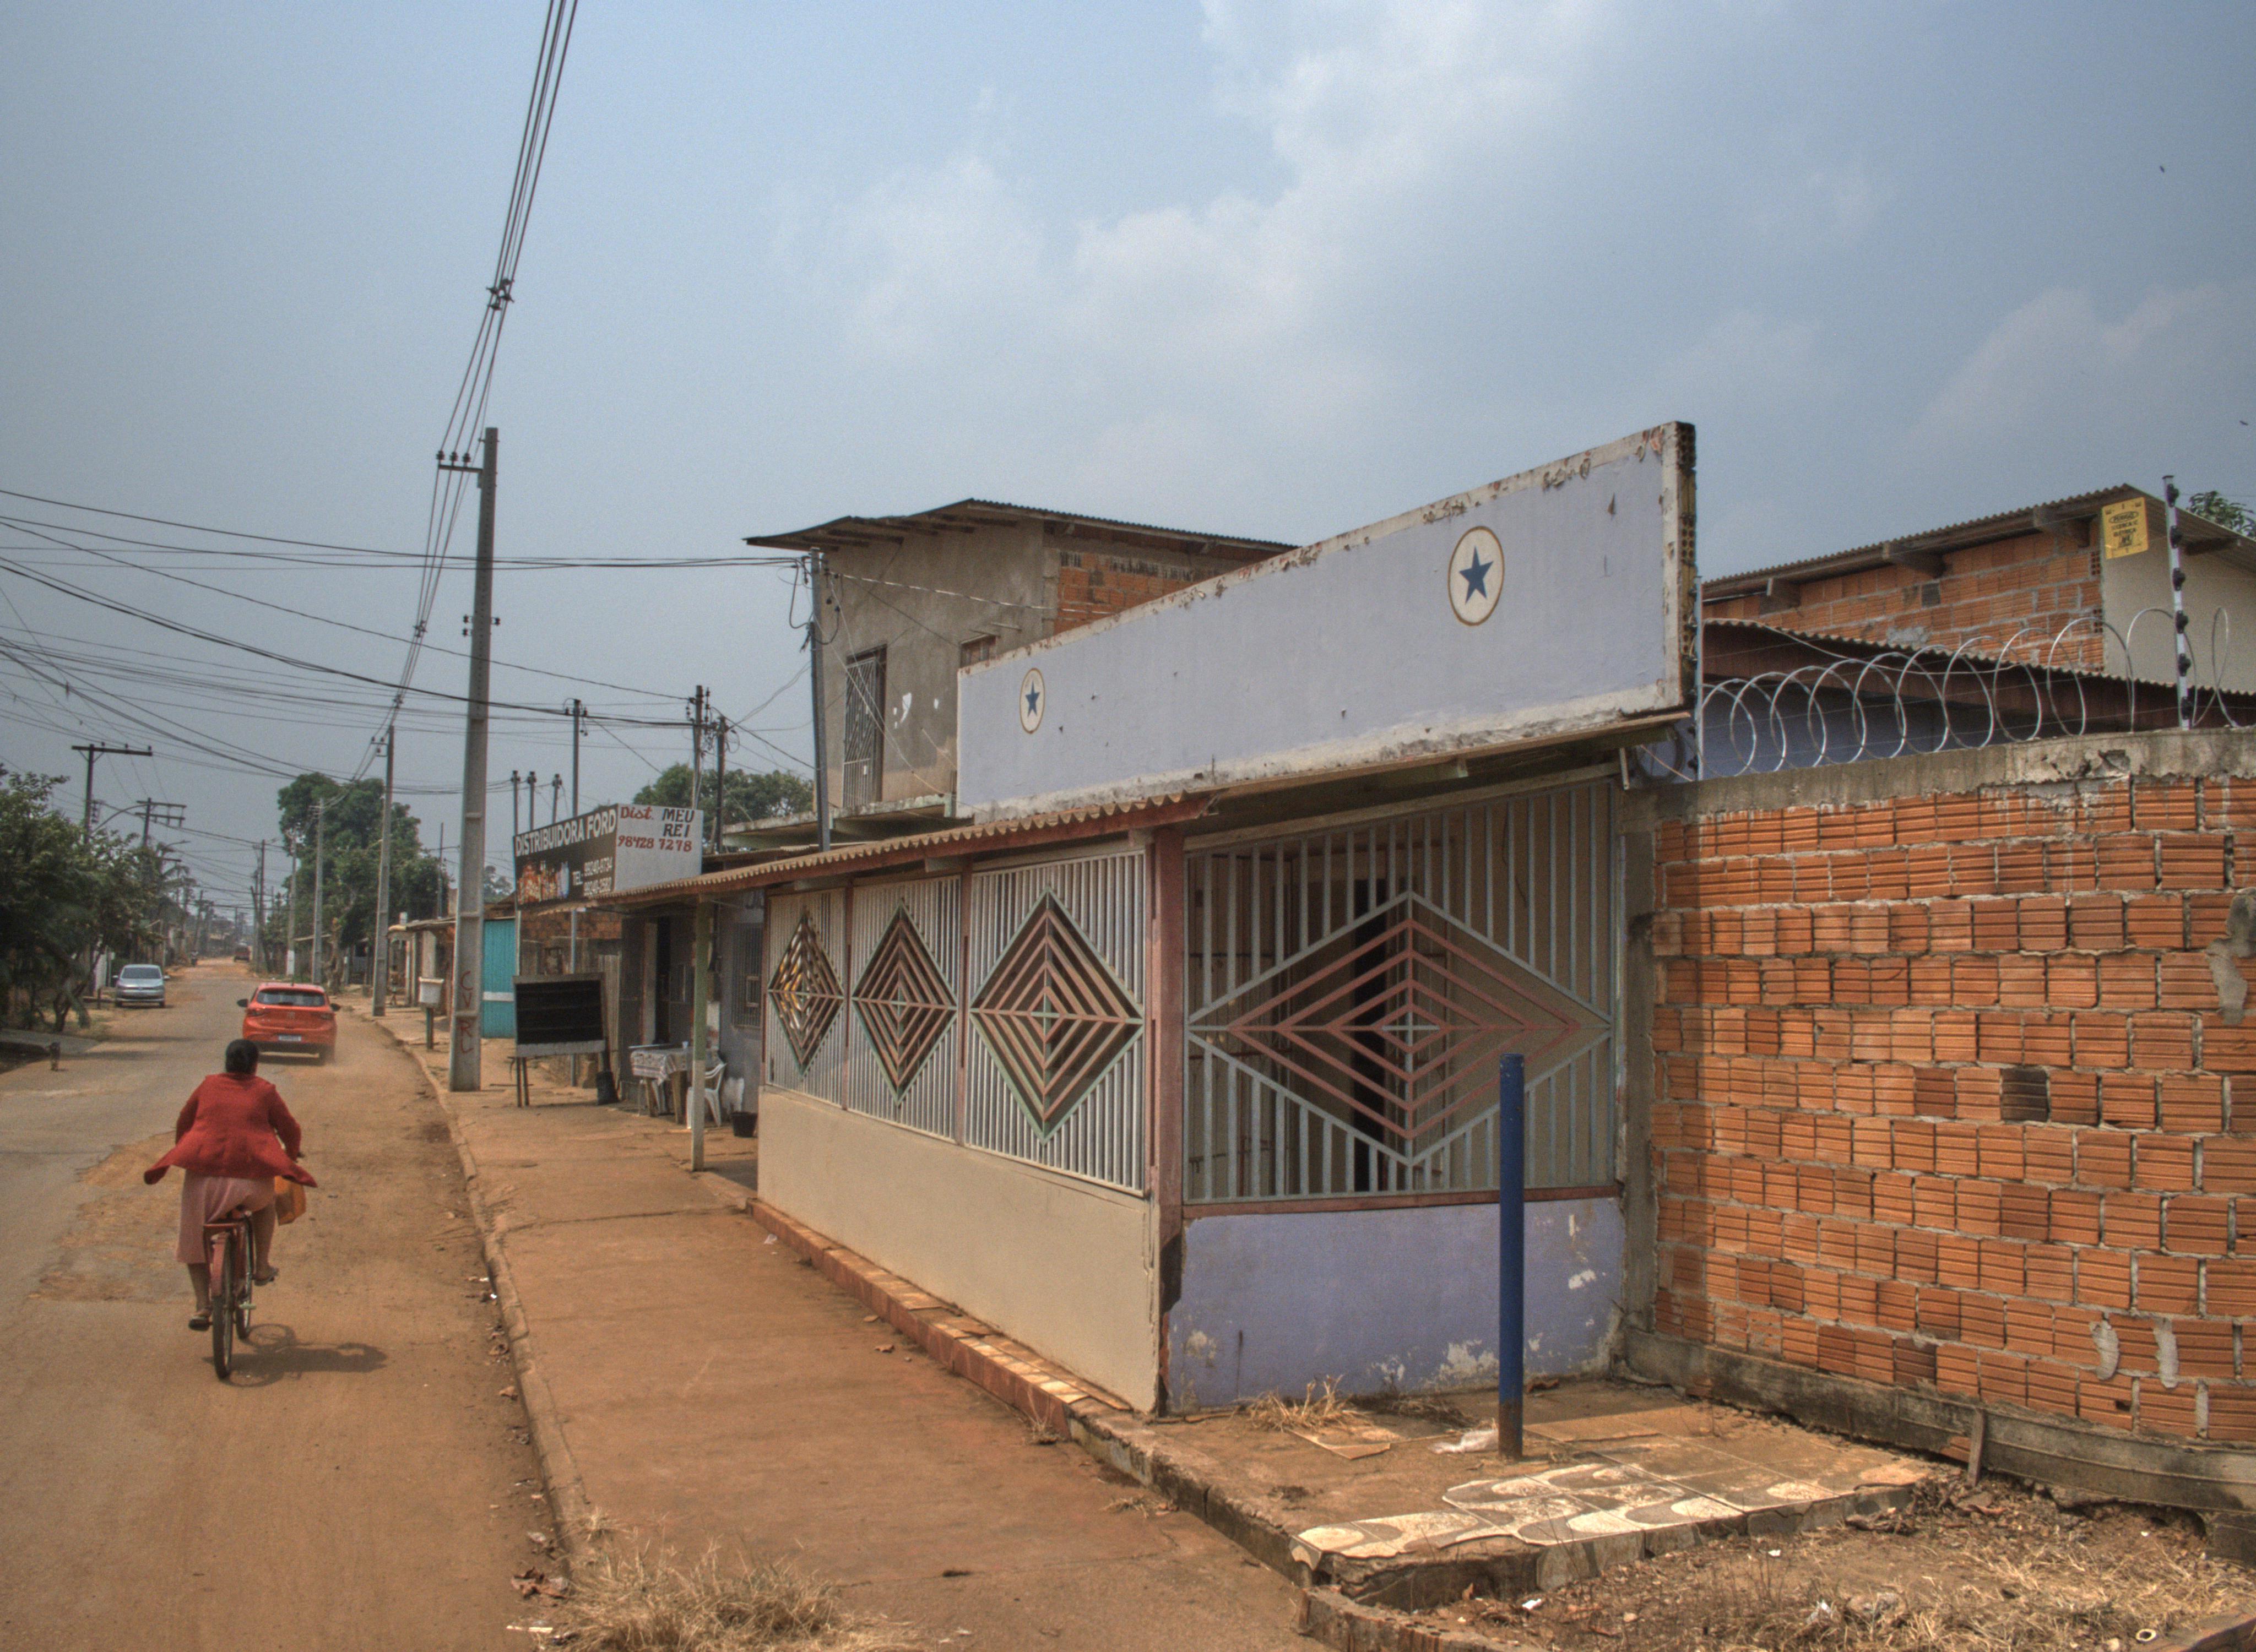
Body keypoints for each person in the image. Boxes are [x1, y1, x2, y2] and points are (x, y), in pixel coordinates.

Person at [144, 1039, 316, 1331]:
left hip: (205, 1184)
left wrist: (191, 1150)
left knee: (193, 1235)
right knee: (266, 1205)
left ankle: (202, 1306)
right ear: (255, 1065)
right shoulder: (265, 1091)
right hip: (250, 1186)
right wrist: (289, 1156)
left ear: (226, 1062)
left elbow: (184, 1122)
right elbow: (290, 1129)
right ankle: (261, 1267)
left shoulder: (208, 1085)